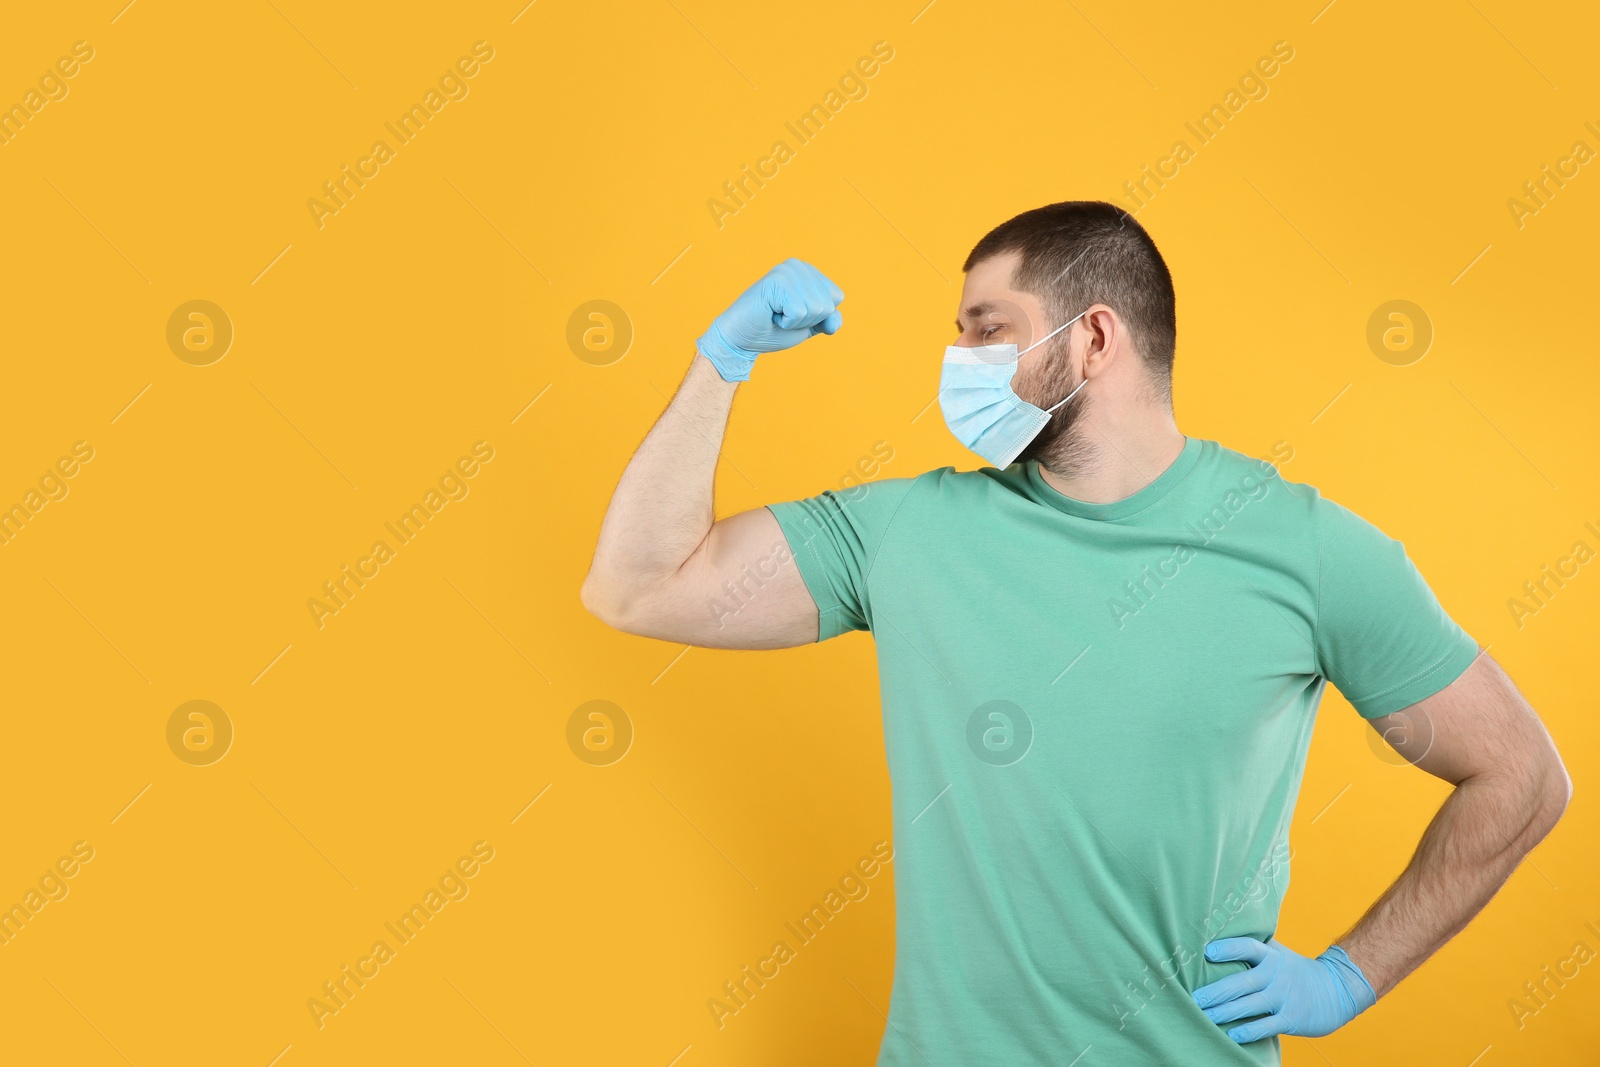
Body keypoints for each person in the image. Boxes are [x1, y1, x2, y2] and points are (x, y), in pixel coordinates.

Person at [580, 201, 1570, 1064]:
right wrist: (723, 363)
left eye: (986, 329)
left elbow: (1520, 774)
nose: (958, 361)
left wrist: (1347, 977)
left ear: (1094, 337)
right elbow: (639, 587)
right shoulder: (907, 532)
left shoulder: (1303, 549)